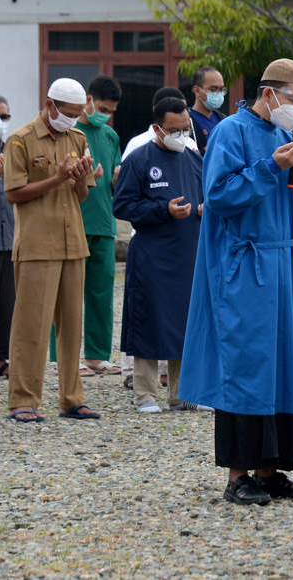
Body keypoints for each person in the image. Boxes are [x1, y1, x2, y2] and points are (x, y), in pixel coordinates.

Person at [178, 58, 293, 505]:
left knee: (281, 362)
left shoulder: (292, 137)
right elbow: (220, 195)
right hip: (244, 264)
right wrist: (270, 168)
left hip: (283, 260)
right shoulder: (231, 132)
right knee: (245, 362)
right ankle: (237, 474)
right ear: (269, 95)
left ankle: (272, 469)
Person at [5, 78, 98, 422]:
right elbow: (14, 193)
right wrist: (58, 177)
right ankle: (23, 401)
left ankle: (71, 398)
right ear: (50, 105)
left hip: (73, 242)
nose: (73, 119)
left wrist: (77, 179)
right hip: (36, 244)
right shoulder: (21, 139)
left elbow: (82, 195)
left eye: (77, 114)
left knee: (72, 325)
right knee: (31, 325)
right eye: (68, 113)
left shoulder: (78, 138)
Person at [113, 97, 204, 413]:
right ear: (157, 128)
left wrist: (205, 209)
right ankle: (145, 395)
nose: (181, 136)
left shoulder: (193, 158)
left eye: (185, 129)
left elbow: (206, 195)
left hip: (188, 253)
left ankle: (182, 394)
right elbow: (122, 206)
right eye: (174, 130)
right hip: (152, 254)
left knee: (186, 321)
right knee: (149, 319)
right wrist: (162, 210)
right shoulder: (138, 160)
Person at [74, 75, 122, 376]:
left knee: (102, 291)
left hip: (105, 223)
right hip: (74, 221)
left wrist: (118, 179)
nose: (106, 114)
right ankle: (63, 358)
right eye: (103, 107)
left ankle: (96, 354)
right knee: (67, 295)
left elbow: (116, 179)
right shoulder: (71, 132)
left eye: (111, 110)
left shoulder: (110, 136)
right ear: (88, 100)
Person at [0, 95, 13, 380]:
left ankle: (2, 357)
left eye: (5, 118)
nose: (1, 123)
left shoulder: (13, 152)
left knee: (7, 302)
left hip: (9, 239)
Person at [188, 66, 226, 152]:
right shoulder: (186, 121)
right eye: (213, 89)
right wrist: (205, 151)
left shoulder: (224, 119)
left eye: (221, 89)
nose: (218, 93)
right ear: (197, 90)